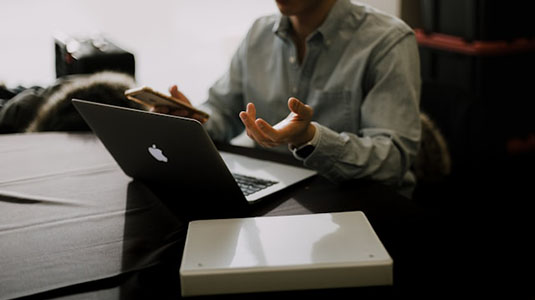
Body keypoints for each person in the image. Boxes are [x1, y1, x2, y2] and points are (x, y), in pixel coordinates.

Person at [158, 0, 421, 198]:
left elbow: (393, 161)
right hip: (277, 193)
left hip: (359, 202)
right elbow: (223, 111)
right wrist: (191, 119)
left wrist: (310, 138)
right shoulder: (259, 33)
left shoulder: (387, 41)